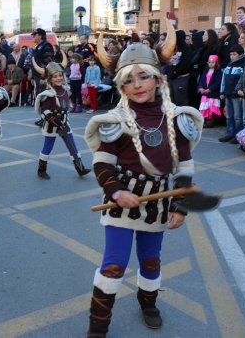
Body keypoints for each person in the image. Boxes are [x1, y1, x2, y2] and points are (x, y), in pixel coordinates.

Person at [85, 27, 203, 338]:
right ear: (121, 85)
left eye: (143, 77)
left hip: (159, 202)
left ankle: (148, 303)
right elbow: (102, 164)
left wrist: (181, 206)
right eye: (128, 80)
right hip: (120, 203)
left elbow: (185, 165)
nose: (136, 85)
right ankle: (97, 328)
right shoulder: (115, 119)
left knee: (151, 261)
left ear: (158, 79)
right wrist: (116, 191)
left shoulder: (178, 118)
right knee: (113, 267)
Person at [33, 55, 91, 179]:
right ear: (50, 79)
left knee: (73, 146)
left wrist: (63, 122)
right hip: (52, 125)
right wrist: (55, 121)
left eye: (60, 75)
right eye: (55, 76)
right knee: (47, 147)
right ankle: (41, 170)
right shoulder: (48, 94)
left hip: (65, 123)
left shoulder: (65, 90)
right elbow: (44, 111)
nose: (59, 78)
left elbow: (65, 106)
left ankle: (80, 168)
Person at [218, 45, 245, 143]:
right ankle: (229, 133)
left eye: (234, 54)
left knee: (238, 116)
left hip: (236, 95)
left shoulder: (242, 66)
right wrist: (222, 92)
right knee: (229, 116)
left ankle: (237, 135)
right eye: (230, 54)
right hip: (227, 94)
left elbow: (243, 81)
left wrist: (240, 92)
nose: (232, 56)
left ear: (241, 55)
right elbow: (223, 80)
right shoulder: (229, 65)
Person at [167, 30, 193, 106]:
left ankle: (183, 117)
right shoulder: (174, 48)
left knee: (181, 100)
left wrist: (176, 72)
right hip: (172, 78)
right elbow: (170, 61)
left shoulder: (186, 48)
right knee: (172, 100)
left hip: (181, 78)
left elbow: (186, 64)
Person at [197, 55, 223, 128]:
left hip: (213, 94)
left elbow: (218, 83)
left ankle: (210, 122)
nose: (211, 64)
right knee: (205, 108)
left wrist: (210, 89)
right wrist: (201, 88)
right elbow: (201, 80)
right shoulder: (205, 70)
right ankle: (204, 121)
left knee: (212, 108)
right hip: (205, 93)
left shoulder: (218, 72)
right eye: (209, 62)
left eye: (213, 62)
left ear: (216, 63)